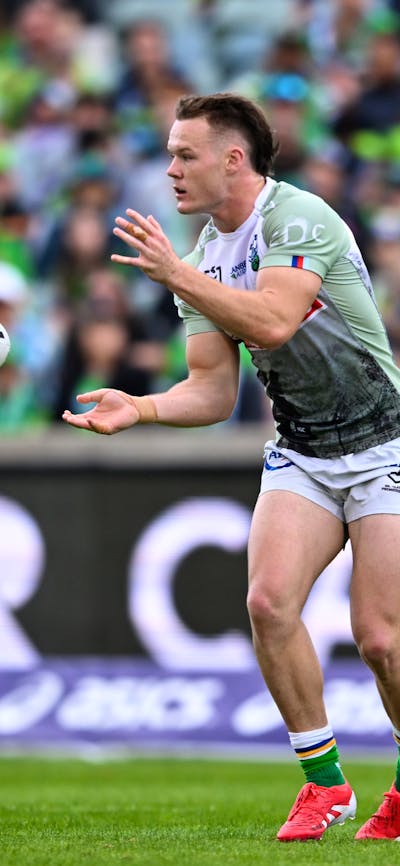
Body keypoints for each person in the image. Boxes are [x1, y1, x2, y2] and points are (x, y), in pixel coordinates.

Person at [63, 91, 400, 842]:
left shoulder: (297, 218)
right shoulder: (206, 258)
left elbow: (276, 321)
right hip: (305, 450)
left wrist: (178, 278)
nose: (172, 169)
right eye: (171, 153)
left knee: (381, 639)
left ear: (233, 159)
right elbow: (213, 392)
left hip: (387, 443)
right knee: (268, 605)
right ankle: (325, 786)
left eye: (186, 154)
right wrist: (140, 408)